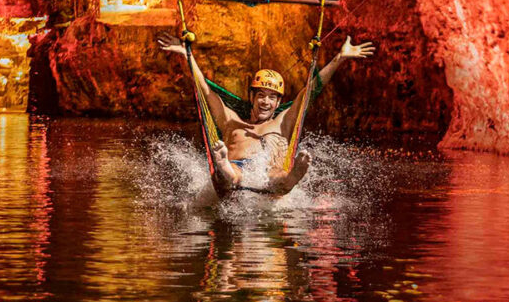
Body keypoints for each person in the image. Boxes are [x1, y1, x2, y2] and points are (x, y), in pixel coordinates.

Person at [157, 32, 375, 196]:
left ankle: (294, 176)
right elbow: (205, 90)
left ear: (279, 102)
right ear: (252, 97)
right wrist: (186, 54)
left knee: (278, 177)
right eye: (261, 95)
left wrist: (339, 58)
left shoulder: (283, 122)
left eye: (272, 98)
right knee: (231, 173)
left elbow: (310, 91)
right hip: (236, 169)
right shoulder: (231, 120)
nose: (266, 102)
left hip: (270, 172)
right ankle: (222, 164)